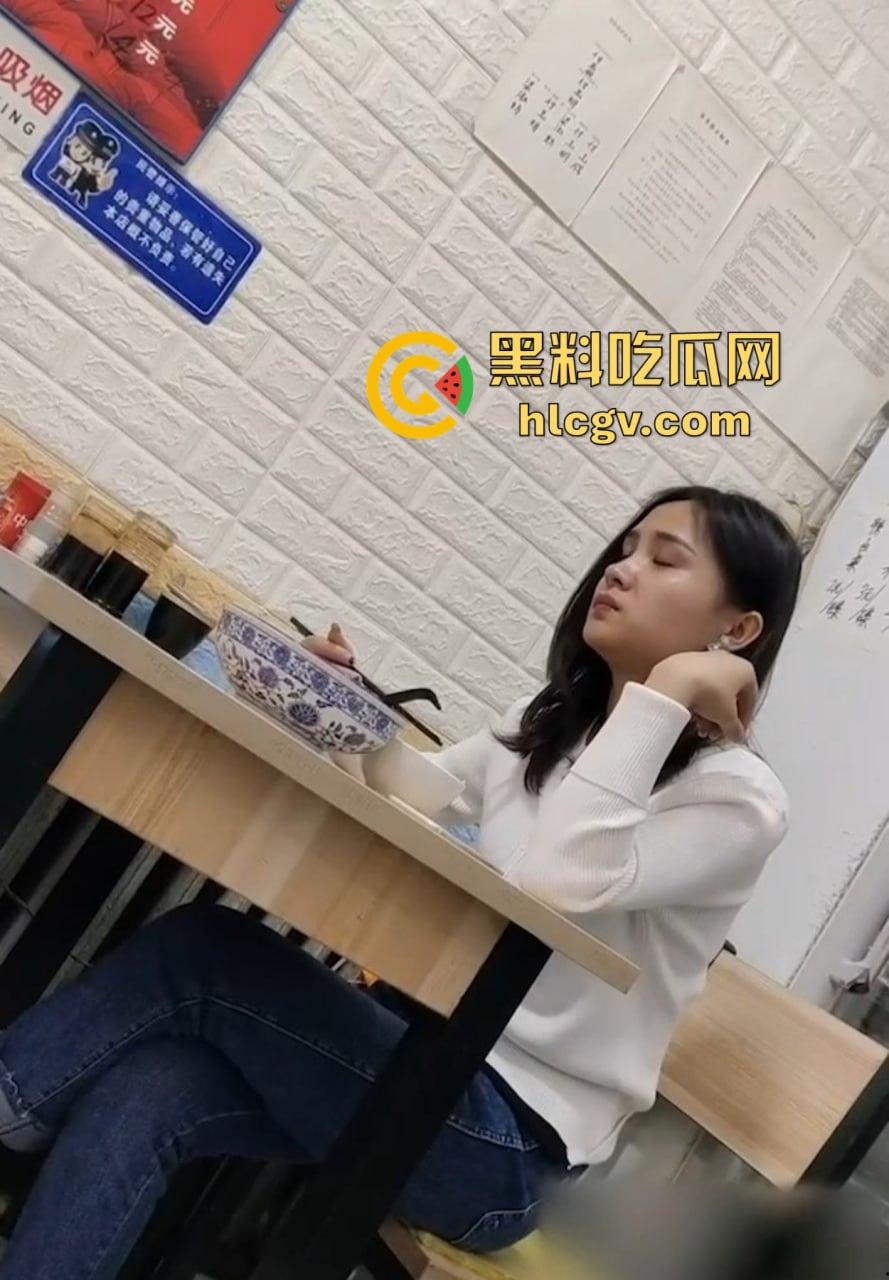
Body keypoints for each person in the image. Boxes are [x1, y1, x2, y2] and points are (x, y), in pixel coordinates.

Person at [0, 484, 802, 1278]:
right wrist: (336, 708)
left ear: (736, 630)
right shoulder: (555, 723)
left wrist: (665, 696)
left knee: (204, 953)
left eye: (664, 560)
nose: (620, 569)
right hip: (409, 1051)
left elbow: (558, 881)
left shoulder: (737, 800)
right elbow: (413, 791)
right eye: (625, 549)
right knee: (152, 1087)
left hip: (505, 1146)